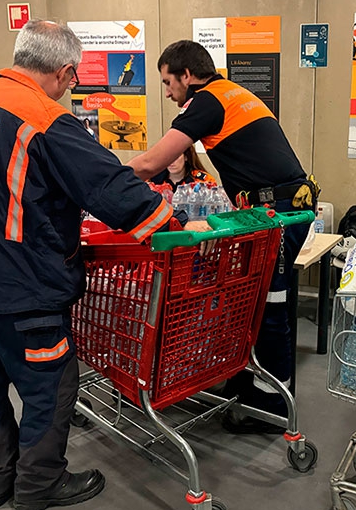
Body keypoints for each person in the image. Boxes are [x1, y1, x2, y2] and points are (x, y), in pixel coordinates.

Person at [0, 20, 210, 510]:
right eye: (71, 81)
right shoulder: (44, 116)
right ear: (65, 71)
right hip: (20, 286)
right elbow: (108, 186)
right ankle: (38, 485)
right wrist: (176, 224)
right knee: (50, 385)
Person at [127, 40, 319, 433]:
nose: (167, 92)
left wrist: (102, 180)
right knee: (257, 304)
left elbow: (152, 163)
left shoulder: (208, 100)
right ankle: (252, 385)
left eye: (168, 82)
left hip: (277, 213)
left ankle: (270, 408)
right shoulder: (232, 93)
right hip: (269, 210)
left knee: (271, 308)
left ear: (187, 75)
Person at [151, 146, 216, 190]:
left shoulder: (204, 181)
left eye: (176, 156)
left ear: (186, 157)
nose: (171, 161)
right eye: (167, 156)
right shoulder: (153, 181)